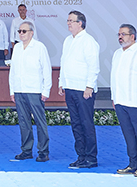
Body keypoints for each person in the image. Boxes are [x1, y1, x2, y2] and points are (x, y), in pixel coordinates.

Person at [58, 10, 99, 169]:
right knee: (76, 124)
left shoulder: (88, 41)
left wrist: (89, 86)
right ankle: (81, 156)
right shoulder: (68, 40)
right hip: (70, 88)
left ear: (80, 23)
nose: (68, 23)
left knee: (86, 123)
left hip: (83, 90)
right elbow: (64, 62)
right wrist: (62, 82)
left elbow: (93, 66)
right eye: (67, 20)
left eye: (71, 21)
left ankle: (91, 157)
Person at [111, 24, 137, 177]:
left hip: (136, 102)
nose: (120, 37)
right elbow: (114, 77)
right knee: (128, 135)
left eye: (123, 34)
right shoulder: (117, 53)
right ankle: (133, 163)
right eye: (119, 34)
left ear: (133, 36)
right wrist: (114, 98)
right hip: (121, 102)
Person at [8, 20, 50, 162]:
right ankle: (26, 150)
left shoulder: (39, 47)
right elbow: (12, 71)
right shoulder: (17, 48)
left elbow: (46, 69)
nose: (20, 33)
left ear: (31, 33)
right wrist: (12, 90)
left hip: (35, 89)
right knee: (24, 122)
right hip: (19, 90)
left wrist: (46, 90)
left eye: (23, 31)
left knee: (40, 121)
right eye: (19, 31)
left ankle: (43, 151)